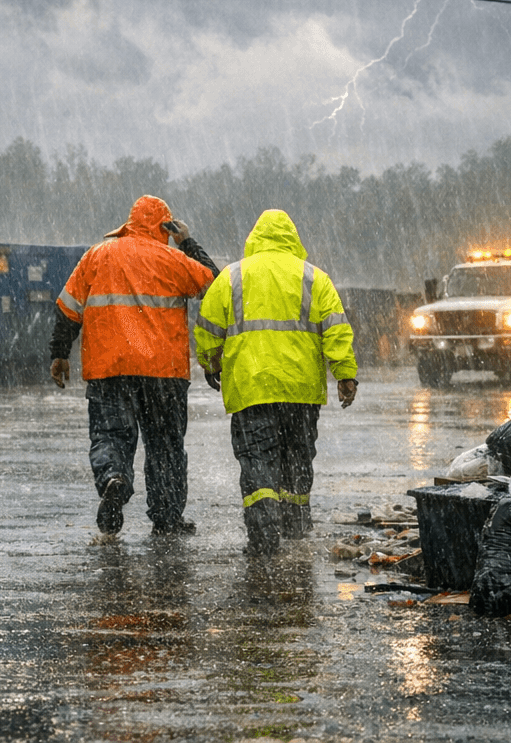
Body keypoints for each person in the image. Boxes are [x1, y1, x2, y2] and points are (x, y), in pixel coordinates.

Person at [49, 195, 219, 536]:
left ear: (129, 223)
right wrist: (188, 243)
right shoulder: (174, 259)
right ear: (166, 227)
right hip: (163, 372)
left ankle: (114, 478)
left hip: (110, 368)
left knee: (110, 435)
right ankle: (167, 519)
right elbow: (215, 288)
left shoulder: (97, 255)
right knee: (165, 446)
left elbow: (68, 308)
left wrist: (59, 352)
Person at [193, 209, 358, 556]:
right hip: (301, 390)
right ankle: (295, 528)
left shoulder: (233, 276)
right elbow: (336, 330)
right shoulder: (314, 278)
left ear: (255, 238)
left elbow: (207, 327)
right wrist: (345, 374)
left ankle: (263, 535)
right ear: (292, 238)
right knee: (297, 457)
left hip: (252, 388)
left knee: (257, 459)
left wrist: (210, 362)